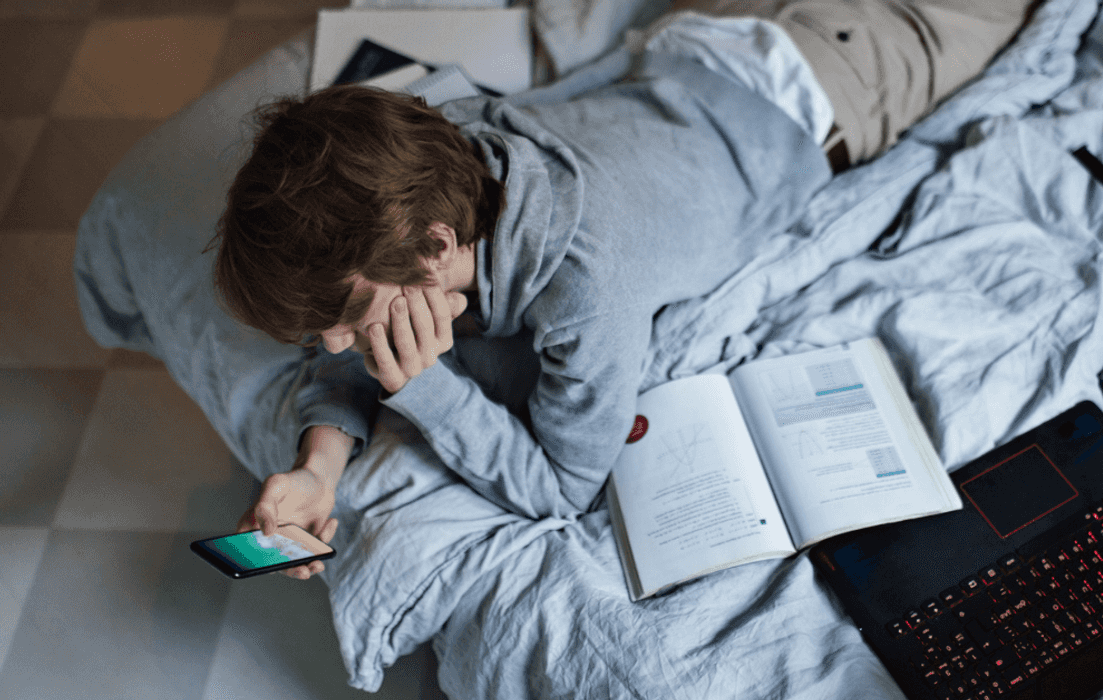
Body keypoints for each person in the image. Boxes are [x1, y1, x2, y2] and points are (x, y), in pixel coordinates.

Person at [209, 0, 1037, 579]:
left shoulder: (586, 288)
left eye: (349, 317)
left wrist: (423, 386)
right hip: (708, 32)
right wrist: (319, 468)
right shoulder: (435, 139)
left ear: (434, 249)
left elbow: (564, 486)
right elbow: (345, 329)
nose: (331, 346)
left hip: (844, 73)